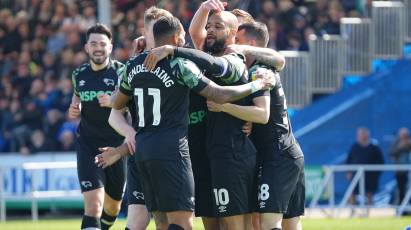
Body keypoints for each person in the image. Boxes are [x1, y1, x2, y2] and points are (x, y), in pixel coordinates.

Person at [112, 16, 274, 230]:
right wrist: (256, 86)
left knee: (161, 219)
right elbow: (219, 94)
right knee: (182, 223)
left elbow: (116, 102)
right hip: (172, 149)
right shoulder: (180, 64)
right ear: (174, 38)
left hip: (142, 150)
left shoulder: (132, 65)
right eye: (181, 36)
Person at [207, 22, 305, 230]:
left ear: (250, 45)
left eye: (238, 41)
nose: (232, 45)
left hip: (278, 155)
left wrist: (223, 107)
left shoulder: (258, 71)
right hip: (288, 152)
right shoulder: (263, 68)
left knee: (269, 223)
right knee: (291, 225)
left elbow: (262, 114)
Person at [68, 23, 126, 230]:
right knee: (93, 205)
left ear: (110, 47)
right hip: (88, 145)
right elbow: (77, 97)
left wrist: (115, 101)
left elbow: (134, 107)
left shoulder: (123, 72)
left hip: (117, 148)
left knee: (112, 208)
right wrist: (74, 109)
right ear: (86, 48)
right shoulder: (78, 74)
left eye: (102, 44)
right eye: (93, 44)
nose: (98, 48)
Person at [346, 127, 385, 205]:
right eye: (359, 134)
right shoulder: (355, 146)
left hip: (370, 176)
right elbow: (349, 160)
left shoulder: (374, 147)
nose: (360, 136)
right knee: (352, 192)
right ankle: (352, 211)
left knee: (369, 194)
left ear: (367, 135)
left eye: (362, 134)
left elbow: (381, 161)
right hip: (357, 174)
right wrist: (349, 172)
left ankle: (369, 212)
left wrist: (376, 173)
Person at [389, 127, 411, 206]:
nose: (404, 136)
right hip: (400, 171)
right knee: (401, 190)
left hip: (409, 170)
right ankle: (402, 208)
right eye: (402, 135)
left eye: (405, 135)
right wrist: (400, 147)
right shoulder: (396, 143)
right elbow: (391, 154)